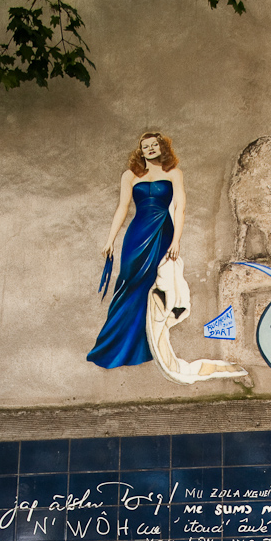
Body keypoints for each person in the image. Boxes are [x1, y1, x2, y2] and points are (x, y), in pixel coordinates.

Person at [87, 132, 183, 369]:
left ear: (162, 147)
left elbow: (180, 208)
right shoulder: (130, 175)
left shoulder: (173, 173)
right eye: (145, 146)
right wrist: (110, 240)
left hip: (162, 230)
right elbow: (122, 207)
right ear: (141, 151)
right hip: (137, 231)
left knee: (151, 283)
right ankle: (113, 344)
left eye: (155, 145)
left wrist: (176, 241)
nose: (150, 149)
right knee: (128, 281)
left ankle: (145, 344)